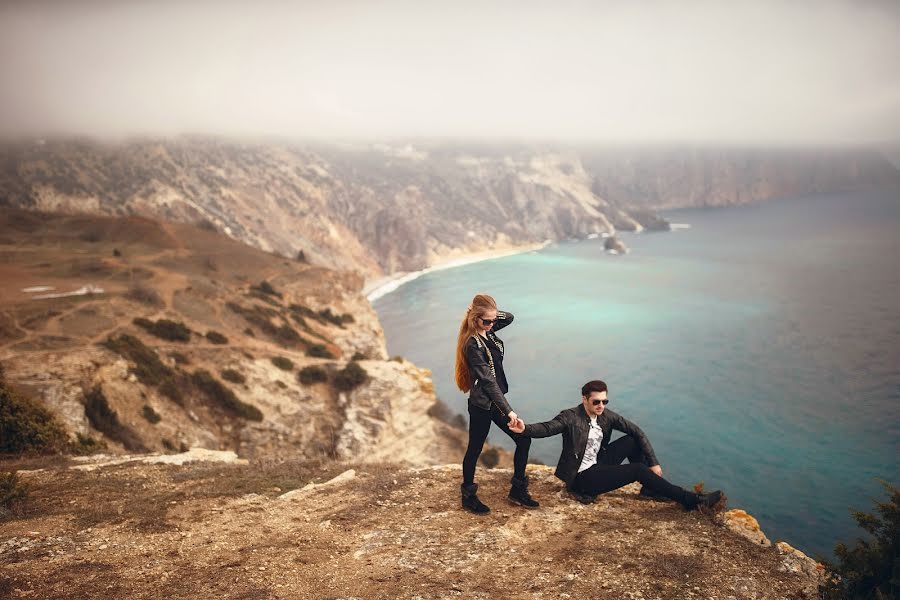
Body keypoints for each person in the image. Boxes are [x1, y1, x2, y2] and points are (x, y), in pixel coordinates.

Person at [510, 379, 724, 510]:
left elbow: (637, 431)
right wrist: (525, 429)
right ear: (584, 399)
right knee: (638, 469)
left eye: (605, 401)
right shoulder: (570, 417)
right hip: (582, 477)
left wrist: (654, 462)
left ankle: (650, 489)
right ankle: (691, 500)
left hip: (599, 463)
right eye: (596, 402)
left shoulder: (606, 416)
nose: (601, 405)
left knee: (632, 440)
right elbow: (548, 428)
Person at [455, 293, 538, 513]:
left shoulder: (489, 331)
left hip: (496, 401)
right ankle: (468, 496)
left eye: (493, 320)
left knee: (523, 439)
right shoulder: (472, 344)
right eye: (487, 321)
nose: (493, 324)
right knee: (475, 449)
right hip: (482, 405)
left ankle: (518, 490)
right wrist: (509, 411)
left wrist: (487, 314)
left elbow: (508, 317)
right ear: (475, 320)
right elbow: (488, 382)